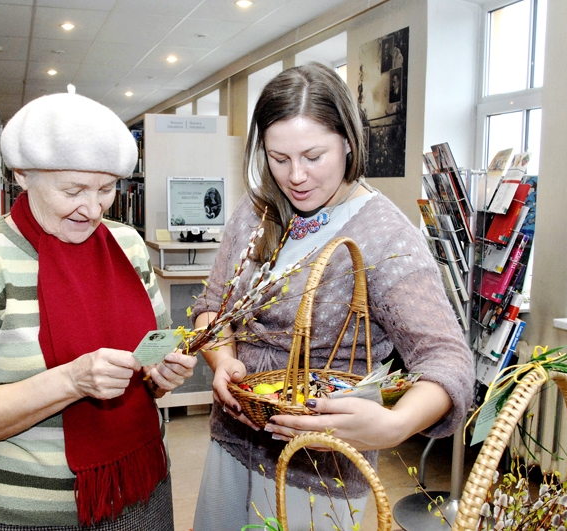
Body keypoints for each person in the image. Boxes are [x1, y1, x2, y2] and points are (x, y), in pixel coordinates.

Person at [191, 62, 474, 531]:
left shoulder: (384, 237)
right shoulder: (255, 210)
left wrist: (394, 426)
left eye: (312, 156)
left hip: (318, 471)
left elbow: (447, 360)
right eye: (278, 159)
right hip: (231, 442)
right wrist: (222, 362)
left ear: (348, 141)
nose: (295, 176)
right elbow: (212, 310)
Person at [0, 85, 197, 531]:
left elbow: (150, 363)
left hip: (141, 490)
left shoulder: (128, 245)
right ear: (22, 174)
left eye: (107, 190)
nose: (92, 210)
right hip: (26, 513)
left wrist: (161, 374)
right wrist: (73, 379)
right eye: (73, 190)